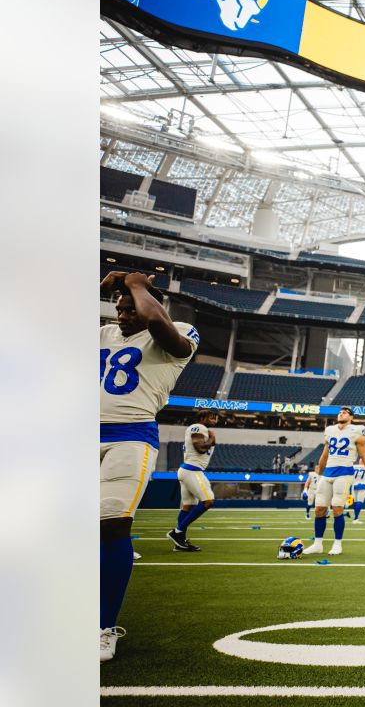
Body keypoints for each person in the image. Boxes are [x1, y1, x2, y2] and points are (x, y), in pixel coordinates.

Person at [100, 271, 199, 660]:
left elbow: (159, 323)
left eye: (130, 309)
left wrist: (138, 284)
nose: (122, 315)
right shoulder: (105, 334)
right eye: (119, 308)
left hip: (130, 436)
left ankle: (104, 626)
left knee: (112, 525)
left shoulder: (178, 331)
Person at [302, 407, 365, 555]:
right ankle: (318, 544)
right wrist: (320, 474)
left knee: (337, 507)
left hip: (344, 472)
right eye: (340, 412)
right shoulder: (329, 430)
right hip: (328, 472)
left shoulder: (358, 431)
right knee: (319, 509)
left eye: (345, 412)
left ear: (351, 417)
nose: (341, 413)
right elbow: (324, 455)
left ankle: (337, 544)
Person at [168, 409, 220, 552]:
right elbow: (200, 447)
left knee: (188, 506)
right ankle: (177, 532)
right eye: (212, 417)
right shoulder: (198, 427)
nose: (215, 420)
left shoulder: (200, 429)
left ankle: (180, 543)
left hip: (188, 470)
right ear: (202, 417)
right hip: (192, 469)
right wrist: (212, 440)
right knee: (208, 500)